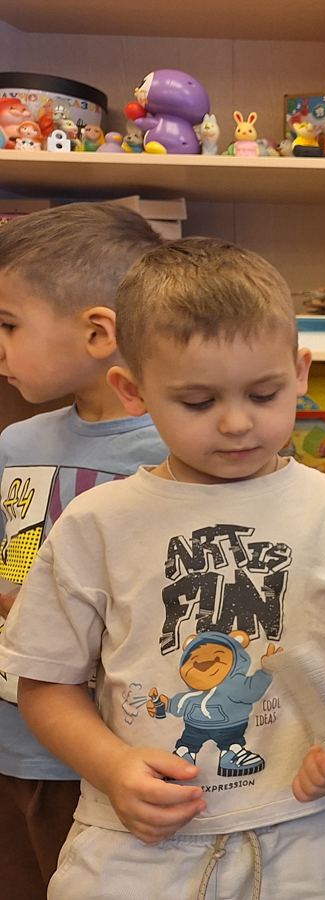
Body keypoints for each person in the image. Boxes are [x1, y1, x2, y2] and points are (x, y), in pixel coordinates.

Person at [0, 238, 325, 899]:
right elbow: (46, 682)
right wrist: (114, 767)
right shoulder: (96, 523)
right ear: (133, 391)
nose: (237, 423)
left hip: (301, 839)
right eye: (197, 402)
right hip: (134, 849)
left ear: (300, 371)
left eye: (265, 393)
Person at [0, 203, 166, 900]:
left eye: (9, 325)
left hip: (123, 756)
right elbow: (14, 563)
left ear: (99, 331)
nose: (0, 346)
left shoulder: (177, 454)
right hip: (15, 745)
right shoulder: (18, 446)